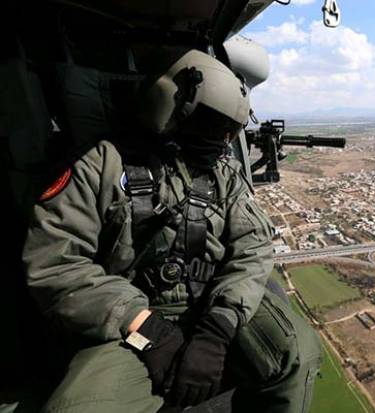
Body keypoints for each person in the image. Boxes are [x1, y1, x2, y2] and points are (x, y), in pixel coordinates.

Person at [21, 47, 321, 413]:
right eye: (216, 127)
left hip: (215, 302)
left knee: (297, 355)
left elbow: (253, 247)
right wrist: (145, 326)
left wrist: (219, 326)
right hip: (131, 315)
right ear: (174, 111)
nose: (225, 142)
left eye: (231, 132)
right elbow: (57, 264)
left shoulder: (223, 175)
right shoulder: (100, 165)